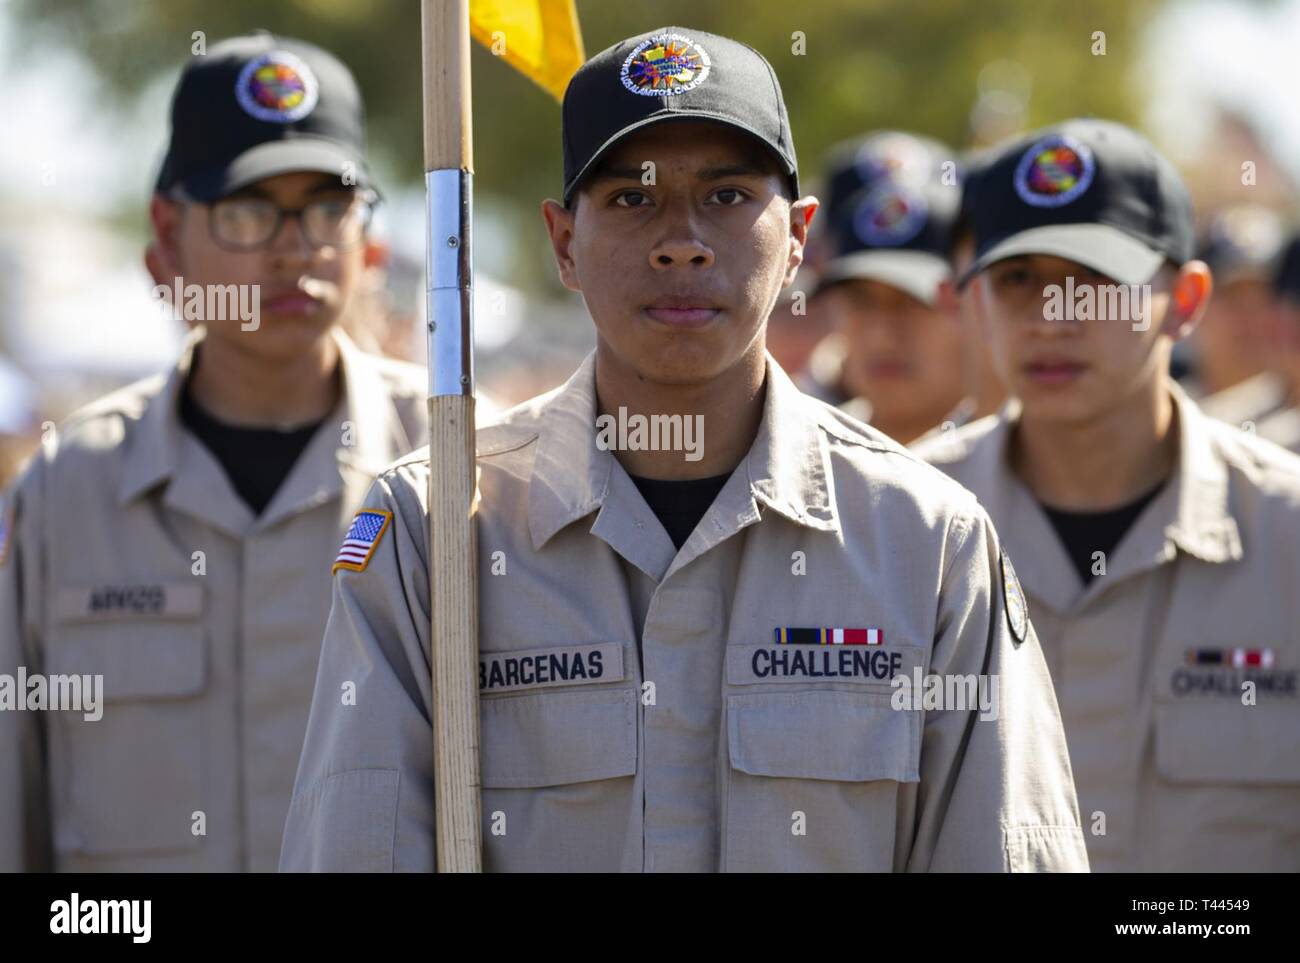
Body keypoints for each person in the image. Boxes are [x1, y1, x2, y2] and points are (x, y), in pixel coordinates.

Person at [281, 27, 1088, 873]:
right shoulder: (435, 529)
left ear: (800, 237)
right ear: (564, 242)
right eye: (633, 199)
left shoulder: (927, 540)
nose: (681, 240)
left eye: (729, 196)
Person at [0, 32, 430, 871]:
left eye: (326, 207)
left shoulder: (460, 466)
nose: (291, 248)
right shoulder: (68, 488)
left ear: (367, 242)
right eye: (246, 209)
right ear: (166, 239)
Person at [914, 118, 1300, 871]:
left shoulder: (1286, 532)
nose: (1053, 318)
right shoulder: (898, 521)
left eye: (1094, 280)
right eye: (1018, 280)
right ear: (975, 301)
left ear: (1187, 300)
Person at [799, 132, 970, 443]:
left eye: (912, 300)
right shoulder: (793, 447)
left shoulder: (1043, 456)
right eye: (860, 299)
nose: (883, 335)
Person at [1189, 205, 1288, 426]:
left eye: (1265, 299)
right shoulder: (1160, 414)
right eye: (1232, 298)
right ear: (1194, 303)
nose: (1250, 318)